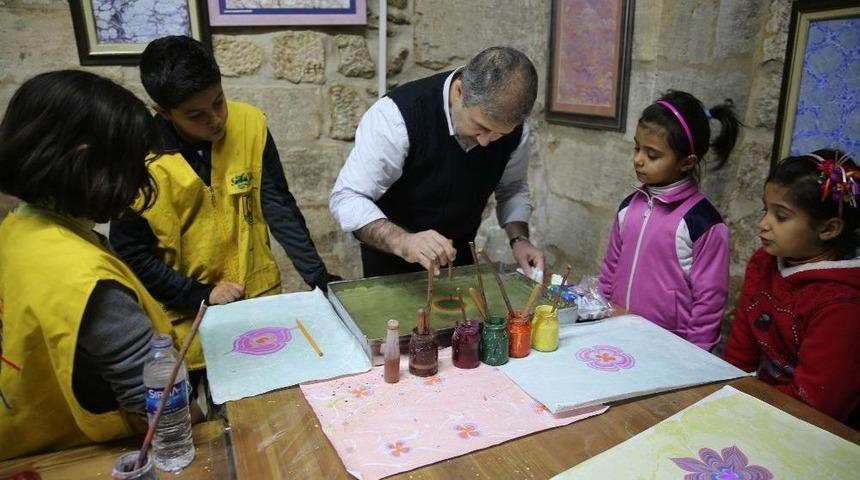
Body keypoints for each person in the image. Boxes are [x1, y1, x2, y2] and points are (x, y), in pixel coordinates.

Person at [109, 36, 339, 370]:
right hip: (193, 318)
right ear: (163, 111)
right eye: (196, 115)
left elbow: (278, 206)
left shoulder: (249, 125)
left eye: (219, 102)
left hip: (260, 303)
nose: (215, 120)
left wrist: (319, 278)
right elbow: (131, 254)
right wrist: (199, 294)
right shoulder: (141, 160)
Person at [0, 70, 177, 459]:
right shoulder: (84, 278)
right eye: (132, 164)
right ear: (85, 162)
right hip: (72, 453)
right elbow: (158, 408)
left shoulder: (18, 226)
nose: (140, 180)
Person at [329, 46, 545, 278]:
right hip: (391, 260)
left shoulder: (517, 130)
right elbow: (347, 196)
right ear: (459, 92)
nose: (485, 143)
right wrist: (403, 241)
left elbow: (511, 187)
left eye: (499, 135)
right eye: (480, 127)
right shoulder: (396, 117)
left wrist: (519, 239)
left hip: (460, 259)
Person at [724, 149, 860, 426]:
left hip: (810, 425)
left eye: (781, 216)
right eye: (765, 209)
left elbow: (817, 405)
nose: (763, 224)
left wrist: (749, 410)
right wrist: (726, 393)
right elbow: (740, 351)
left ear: (829, 229)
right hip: (763, 402)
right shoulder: (764, 262)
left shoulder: (842, 303)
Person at [598, 90, 740, 350]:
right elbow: (610, 268)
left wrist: (695, 357)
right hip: (615, 333)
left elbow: (709, 301)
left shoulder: (703, 223)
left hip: (667, 346)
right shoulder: (628, 207)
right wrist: (599, 315)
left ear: (687, 162)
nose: (638, 160)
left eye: (652, 155)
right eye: (637, 148)